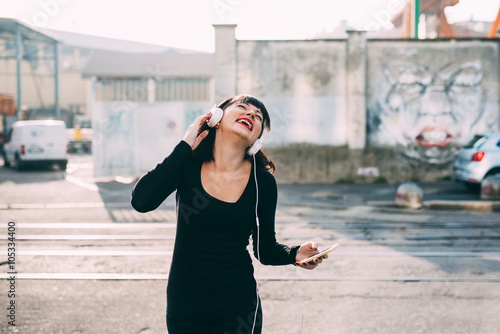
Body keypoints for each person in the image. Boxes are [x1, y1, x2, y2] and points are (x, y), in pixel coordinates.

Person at [131, 94, 328, 334]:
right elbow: (142, 201)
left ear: (257, 139)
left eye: (258, 117)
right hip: (185, 302)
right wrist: (184, 145)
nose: (251, 115)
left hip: (238, 305)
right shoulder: (187, 163)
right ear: (216, 116)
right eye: (243, 108)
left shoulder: (262, 182)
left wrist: (296, 253)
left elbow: (264, 250)